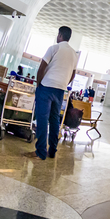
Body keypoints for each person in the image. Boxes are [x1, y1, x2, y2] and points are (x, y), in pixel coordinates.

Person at [24, 26, 77, 161]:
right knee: (54, 120)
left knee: (42, 119)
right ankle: (52, 151)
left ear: (60, 35)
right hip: (60, 90)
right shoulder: (74, 54)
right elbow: (73, 74)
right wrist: (64, 84)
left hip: (46, 87)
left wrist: (39, 84)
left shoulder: (54, 48)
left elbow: (42, 66)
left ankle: (40, 152)